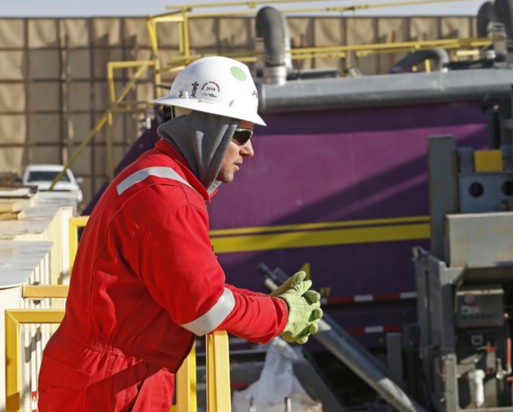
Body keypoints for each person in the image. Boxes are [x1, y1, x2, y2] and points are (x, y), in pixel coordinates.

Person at [37, 56, 323, 411]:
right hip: (110, 385)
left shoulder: (158, 179)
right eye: (243, 134)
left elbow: (190, 288)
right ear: (210, 130)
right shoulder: (169, 198)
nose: (250, 149)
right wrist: (278, 314)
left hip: (103, 377)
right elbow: (203, 308)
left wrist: (266, 306)